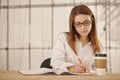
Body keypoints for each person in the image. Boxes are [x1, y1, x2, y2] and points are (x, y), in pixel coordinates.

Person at [50, 4, 103, 73]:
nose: (83, 27)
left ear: (92, 22)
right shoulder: (63, 38)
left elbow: (98, 71)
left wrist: (88, 71)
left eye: (86, 22)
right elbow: (55, 62)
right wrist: (71, 68)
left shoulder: (97, 44)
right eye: (78, 24)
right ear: (73, 25)